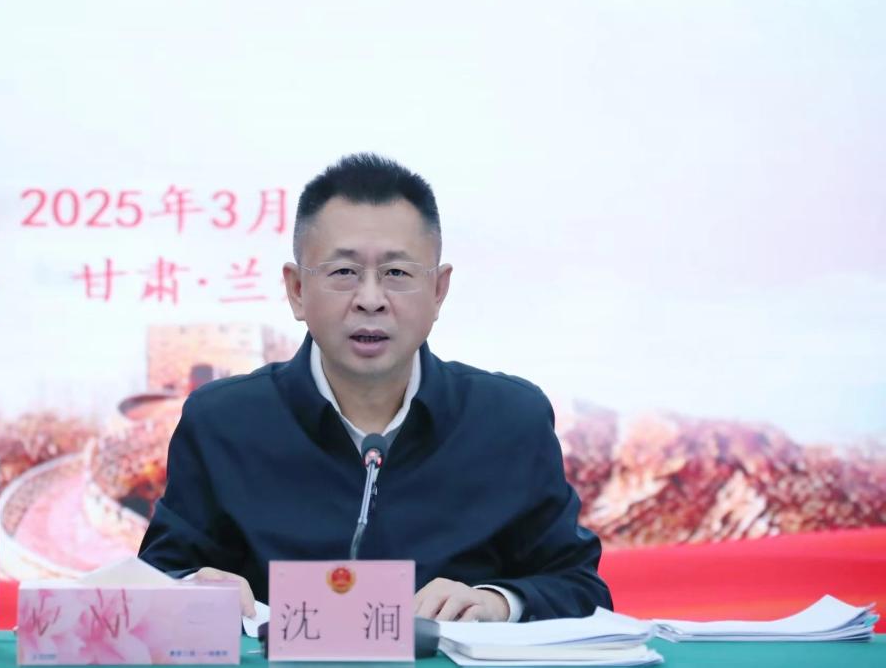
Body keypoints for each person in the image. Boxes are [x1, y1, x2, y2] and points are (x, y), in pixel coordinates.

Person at [139, 153, 612, 622]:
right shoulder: (222, 422)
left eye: (397, 273)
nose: (370, 300)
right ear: (297, 290)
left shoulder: (509, 419)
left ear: (438, 291)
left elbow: (583, 591)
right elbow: (151, 584)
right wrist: (191, 588)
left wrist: (499, 603)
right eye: (344, 272)